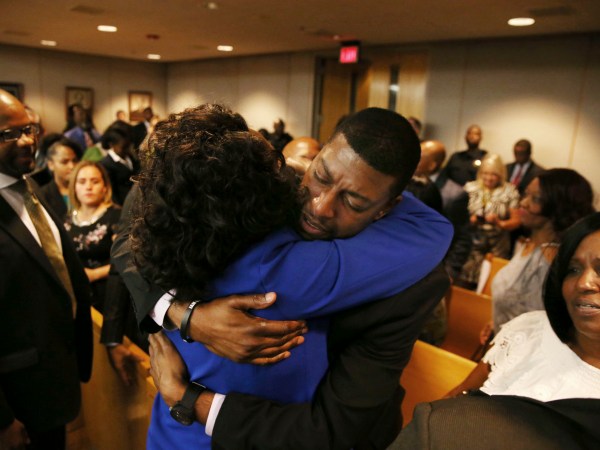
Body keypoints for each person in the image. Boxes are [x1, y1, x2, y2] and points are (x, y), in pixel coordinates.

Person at [113, 105, 453, 449]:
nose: (321, 206)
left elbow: (333, 430)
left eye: (353, 200)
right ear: (317, 155)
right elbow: (131, 228)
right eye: (321, 175)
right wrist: (181, 313)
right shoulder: (258, 194)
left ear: (387, 207)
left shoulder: (412, 285)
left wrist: (188, 399)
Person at [0, 89, 93, 449]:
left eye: (30, 129)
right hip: (16, 398)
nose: (27, 142)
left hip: (52, 378)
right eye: (9, 134)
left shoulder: (28, 185)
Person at [480, 169, 594, 342]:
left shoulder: (552, 260)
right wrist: (496, 321)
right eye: (526, 195)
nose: (523, 203)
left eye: (536, 199)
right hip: (504, 343)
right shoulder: (530, 245)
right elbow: (517, 303)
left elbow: (542, 321)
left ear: (557, 207)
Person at [64, 161, 121, 313]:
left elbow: (127, 261)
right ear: (74, 187)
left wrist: (94, 274)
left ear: (105, 186)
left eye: (94, 181)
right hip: (77, 295)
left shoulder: (116, 216)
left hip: (110, 294)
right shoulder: (67, 219)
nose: (88, 187)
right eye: (82, 182)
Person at [458, 153, 521, 288]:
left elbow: (516, 221)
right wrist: (471, 220)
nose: (489, 178)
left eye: (494, 174)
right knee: (464, 284)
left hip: (497, 247)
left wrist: (499, 222)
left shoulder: (510, 191)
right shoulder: (470, 188)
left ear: (501, 174)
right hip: (470, 245)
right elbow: (457, 218)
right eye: (485, 173)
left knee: (489, 284)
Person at [415, 139, 471, 280]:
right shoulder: (409, 181)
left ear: (433, 165)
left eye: (419, 157)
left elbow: (462, 236)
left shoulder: (454, 194)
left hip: (434, 268)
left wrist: (450, 271)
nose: (413, 159)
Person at [39, 137, 82, 220]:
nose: (72, 166)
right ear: (51, 165)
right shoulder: (43, 196)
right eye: (64, 162)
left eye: (75, 160)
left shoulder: (86, 186)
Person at [98, 121, 139, 205]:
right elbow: (112, 195)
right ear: (111, 144)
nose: (128, 149)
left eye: (129, 145)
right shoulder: (105, 165)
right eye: (124, 147)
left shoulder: (131, 157)